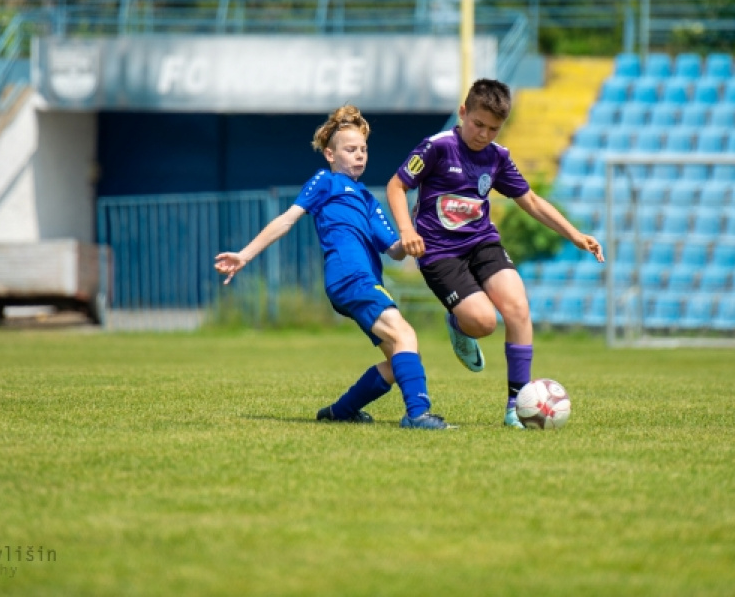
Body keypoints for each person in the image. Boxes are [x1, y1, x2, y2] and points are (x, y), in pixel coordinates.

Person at [215, 105, 452, 430]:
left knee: (401, 358)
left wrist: (412, 239)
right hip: (349, 276)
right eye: (350, 149)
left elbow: (394, 251)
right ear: (330, 153)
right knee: (405, 334)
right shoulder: (326, 182)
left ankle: (341, 411)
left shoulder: (368, 198)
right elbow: (288, 219)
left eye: (364, 149)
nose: (359, 155)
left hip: (360, 281)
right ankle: (418, 415)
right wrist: (245, 254)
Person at [386, 78, 604, 428]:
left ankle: (516, 408)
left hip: (482, 243)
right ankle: (459, 322)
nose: (484, 134)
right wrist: (407, 231)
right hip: (439, 251)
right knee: (484, 322)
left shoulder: (498, 157)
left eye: (493, 128)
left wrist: (575, 235)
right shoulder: (437, 147)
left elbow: (530, 200)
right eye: (478, 124)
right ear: (463, 113)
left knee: (517, 306)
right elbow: (397, 186)